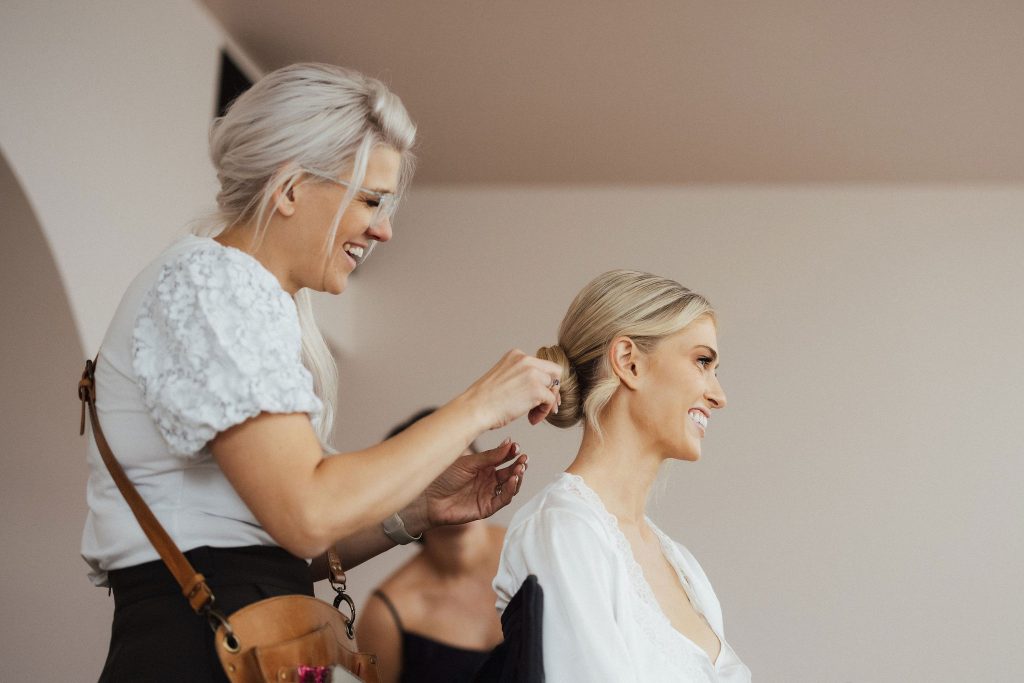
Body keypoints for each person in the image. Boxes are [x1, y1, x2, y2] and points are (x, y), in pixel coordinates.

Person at [81, 63, 562, 682]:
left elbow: (276, 547)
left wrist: (413, 512)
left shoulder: (241, 294)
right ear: (290, 187)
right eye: (370, 200)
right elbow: (305, 512)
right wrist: (476, 405)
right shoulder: (212, 283)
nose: (385, 230)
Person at [493, 270, 752, 682]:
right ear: (629, 362)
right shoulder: (563, 529)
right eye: (702, 361)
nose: (719, 396)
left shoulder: (682, 564)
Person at [356, 409, 508, 683]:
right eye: (436, 470)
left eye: (462, 463)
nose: (458, 482)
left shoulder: (534, 551)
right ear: (402, 495)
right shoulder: (386, 614)